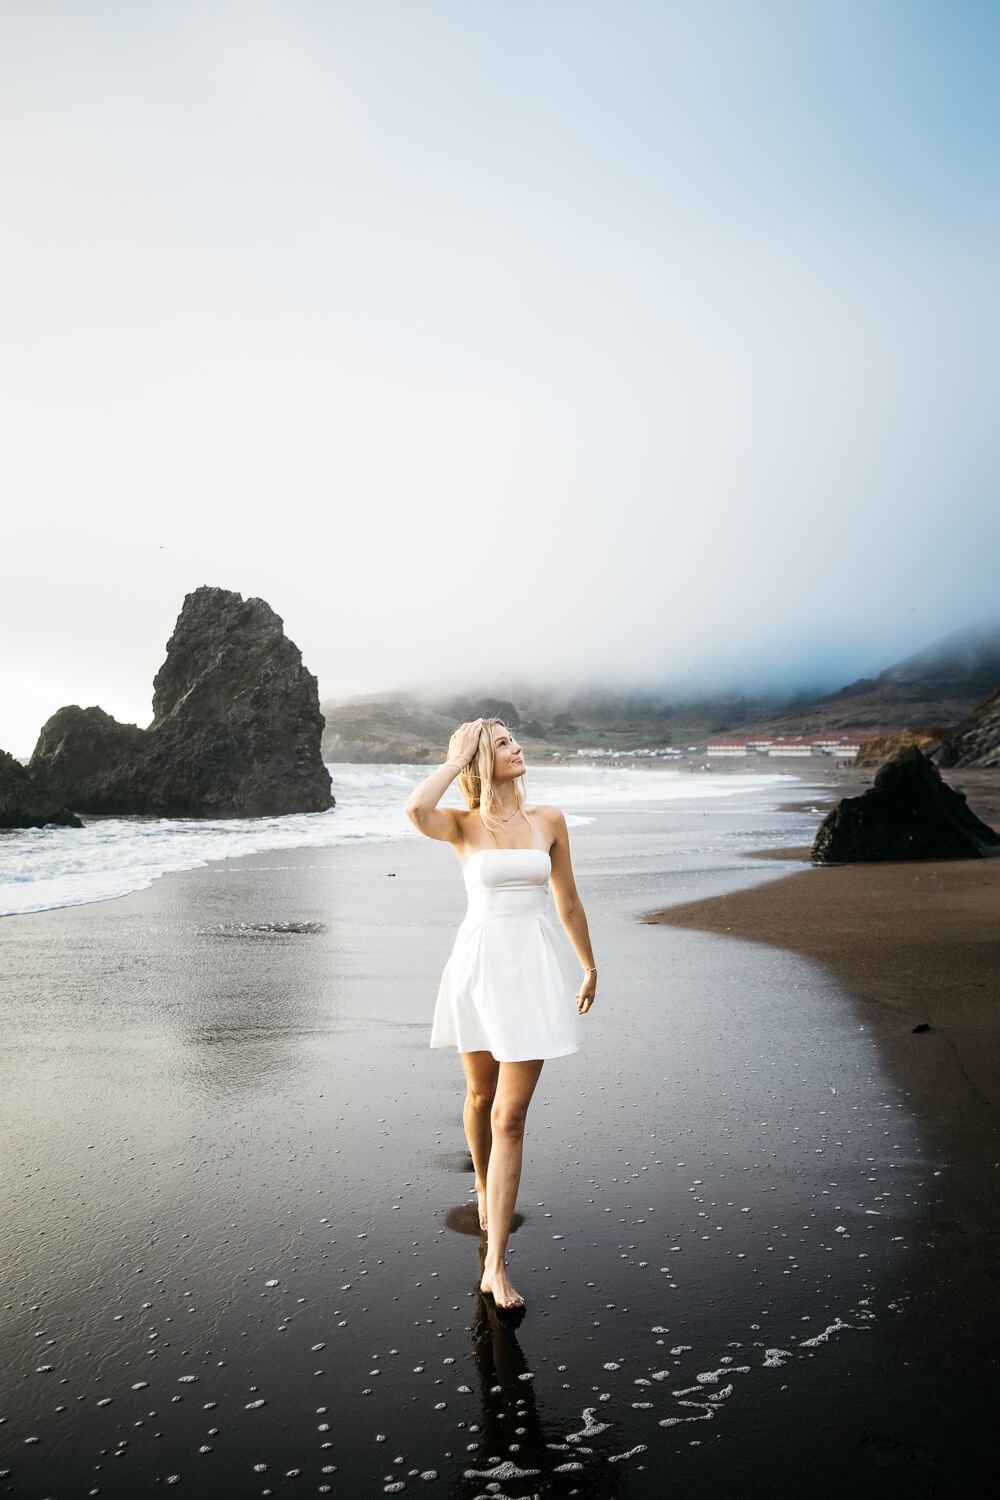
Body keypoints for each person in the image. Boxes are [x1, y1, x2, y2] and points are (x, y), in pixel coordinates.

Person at [405, 717, 597, 1309]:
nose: (518, 749)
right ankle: (487, 1193)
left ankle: (496, 1264)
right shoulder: (462, 825)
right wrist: (456, 756)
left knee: (510, 1118)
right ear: (481, 759)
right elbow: (415, 810)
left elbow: (566, 899)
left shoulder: (550, 820)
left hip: (533, 970)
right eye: (504, 743)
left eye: (515, 740)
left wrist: (589, 964)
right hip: (479, 966)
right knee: (481, 1098)